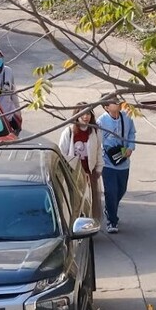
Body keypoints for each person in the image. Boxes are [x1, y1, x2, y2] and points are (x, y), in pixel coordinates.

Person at [94, 96, 136, 233]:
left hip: (123, 161)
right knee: (111, 191)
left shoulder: (127, 117)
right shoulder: (101, 121)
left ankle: (110, 208)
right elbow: (95, 140)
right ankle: (112, 221)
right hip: (108, 162)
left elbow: (132, 133)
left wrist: (130, 147)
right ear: (106, 107)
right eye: (113, 102)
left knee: (121, 190)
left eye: (117, 101)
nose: (117, 103)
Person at [58, 105, 102, 213]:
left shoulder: (95, 132)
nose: (85, 117)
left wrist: (98, 170)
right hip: (73, 173)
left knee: (92, 202)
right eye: (82, 114)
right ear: (77, 115)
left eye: (88, 114)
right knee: (75, 202)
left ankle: (90, 223)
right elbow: (62, 153)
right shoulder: (68, 132)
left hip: (90, 172)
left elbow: (98, 151)